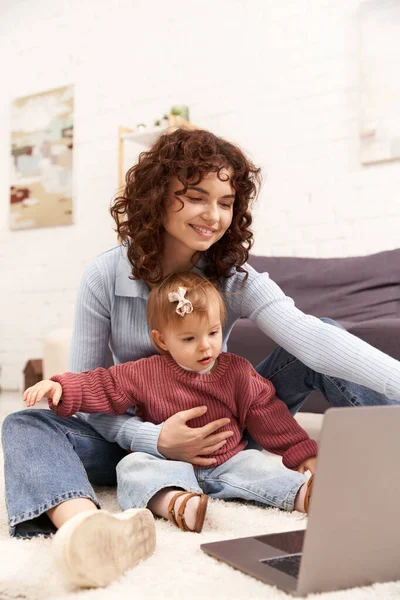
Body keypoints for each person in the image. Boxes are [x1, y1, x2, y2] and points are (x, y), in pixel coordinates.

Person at [2, 128, 400, 588]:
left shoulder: (233, 276)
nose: (213, 215)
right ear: (157, 196)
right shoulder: (104, 275)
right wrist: (156, 440)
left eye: (226, 202)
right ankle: (86, 528)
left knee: (327, 334)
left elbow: (309, 338)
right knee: (26, 421)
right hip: (135, 436)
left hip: (226, 423)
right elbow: (93, 391)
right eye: (196, 197)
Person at [24, 272, 318, 534]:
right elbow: (105, 384)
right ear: (162, 340)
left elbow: (267, 412)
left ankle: (303, 494)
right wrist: (61, 386)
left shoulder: (238, 371)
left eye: (213, 333)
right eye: (189, 338)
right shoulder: (145, 372)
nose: (206, 346)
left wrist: (301, 452)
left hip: (229, 459)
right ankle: (176, 502)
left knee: (260, 466)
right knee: (132, 466)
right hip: (166, 462)